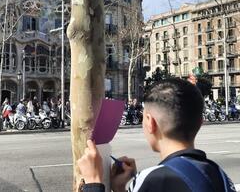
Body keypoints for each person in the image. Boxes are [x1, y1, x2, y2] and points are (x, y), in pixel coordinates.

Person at [78, 78, 235, 192]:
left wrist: (93, 183)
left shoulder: (153, 180)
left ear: (150, 122)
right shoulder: (221, 176)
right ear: (200, 123)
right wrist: (119, 188)